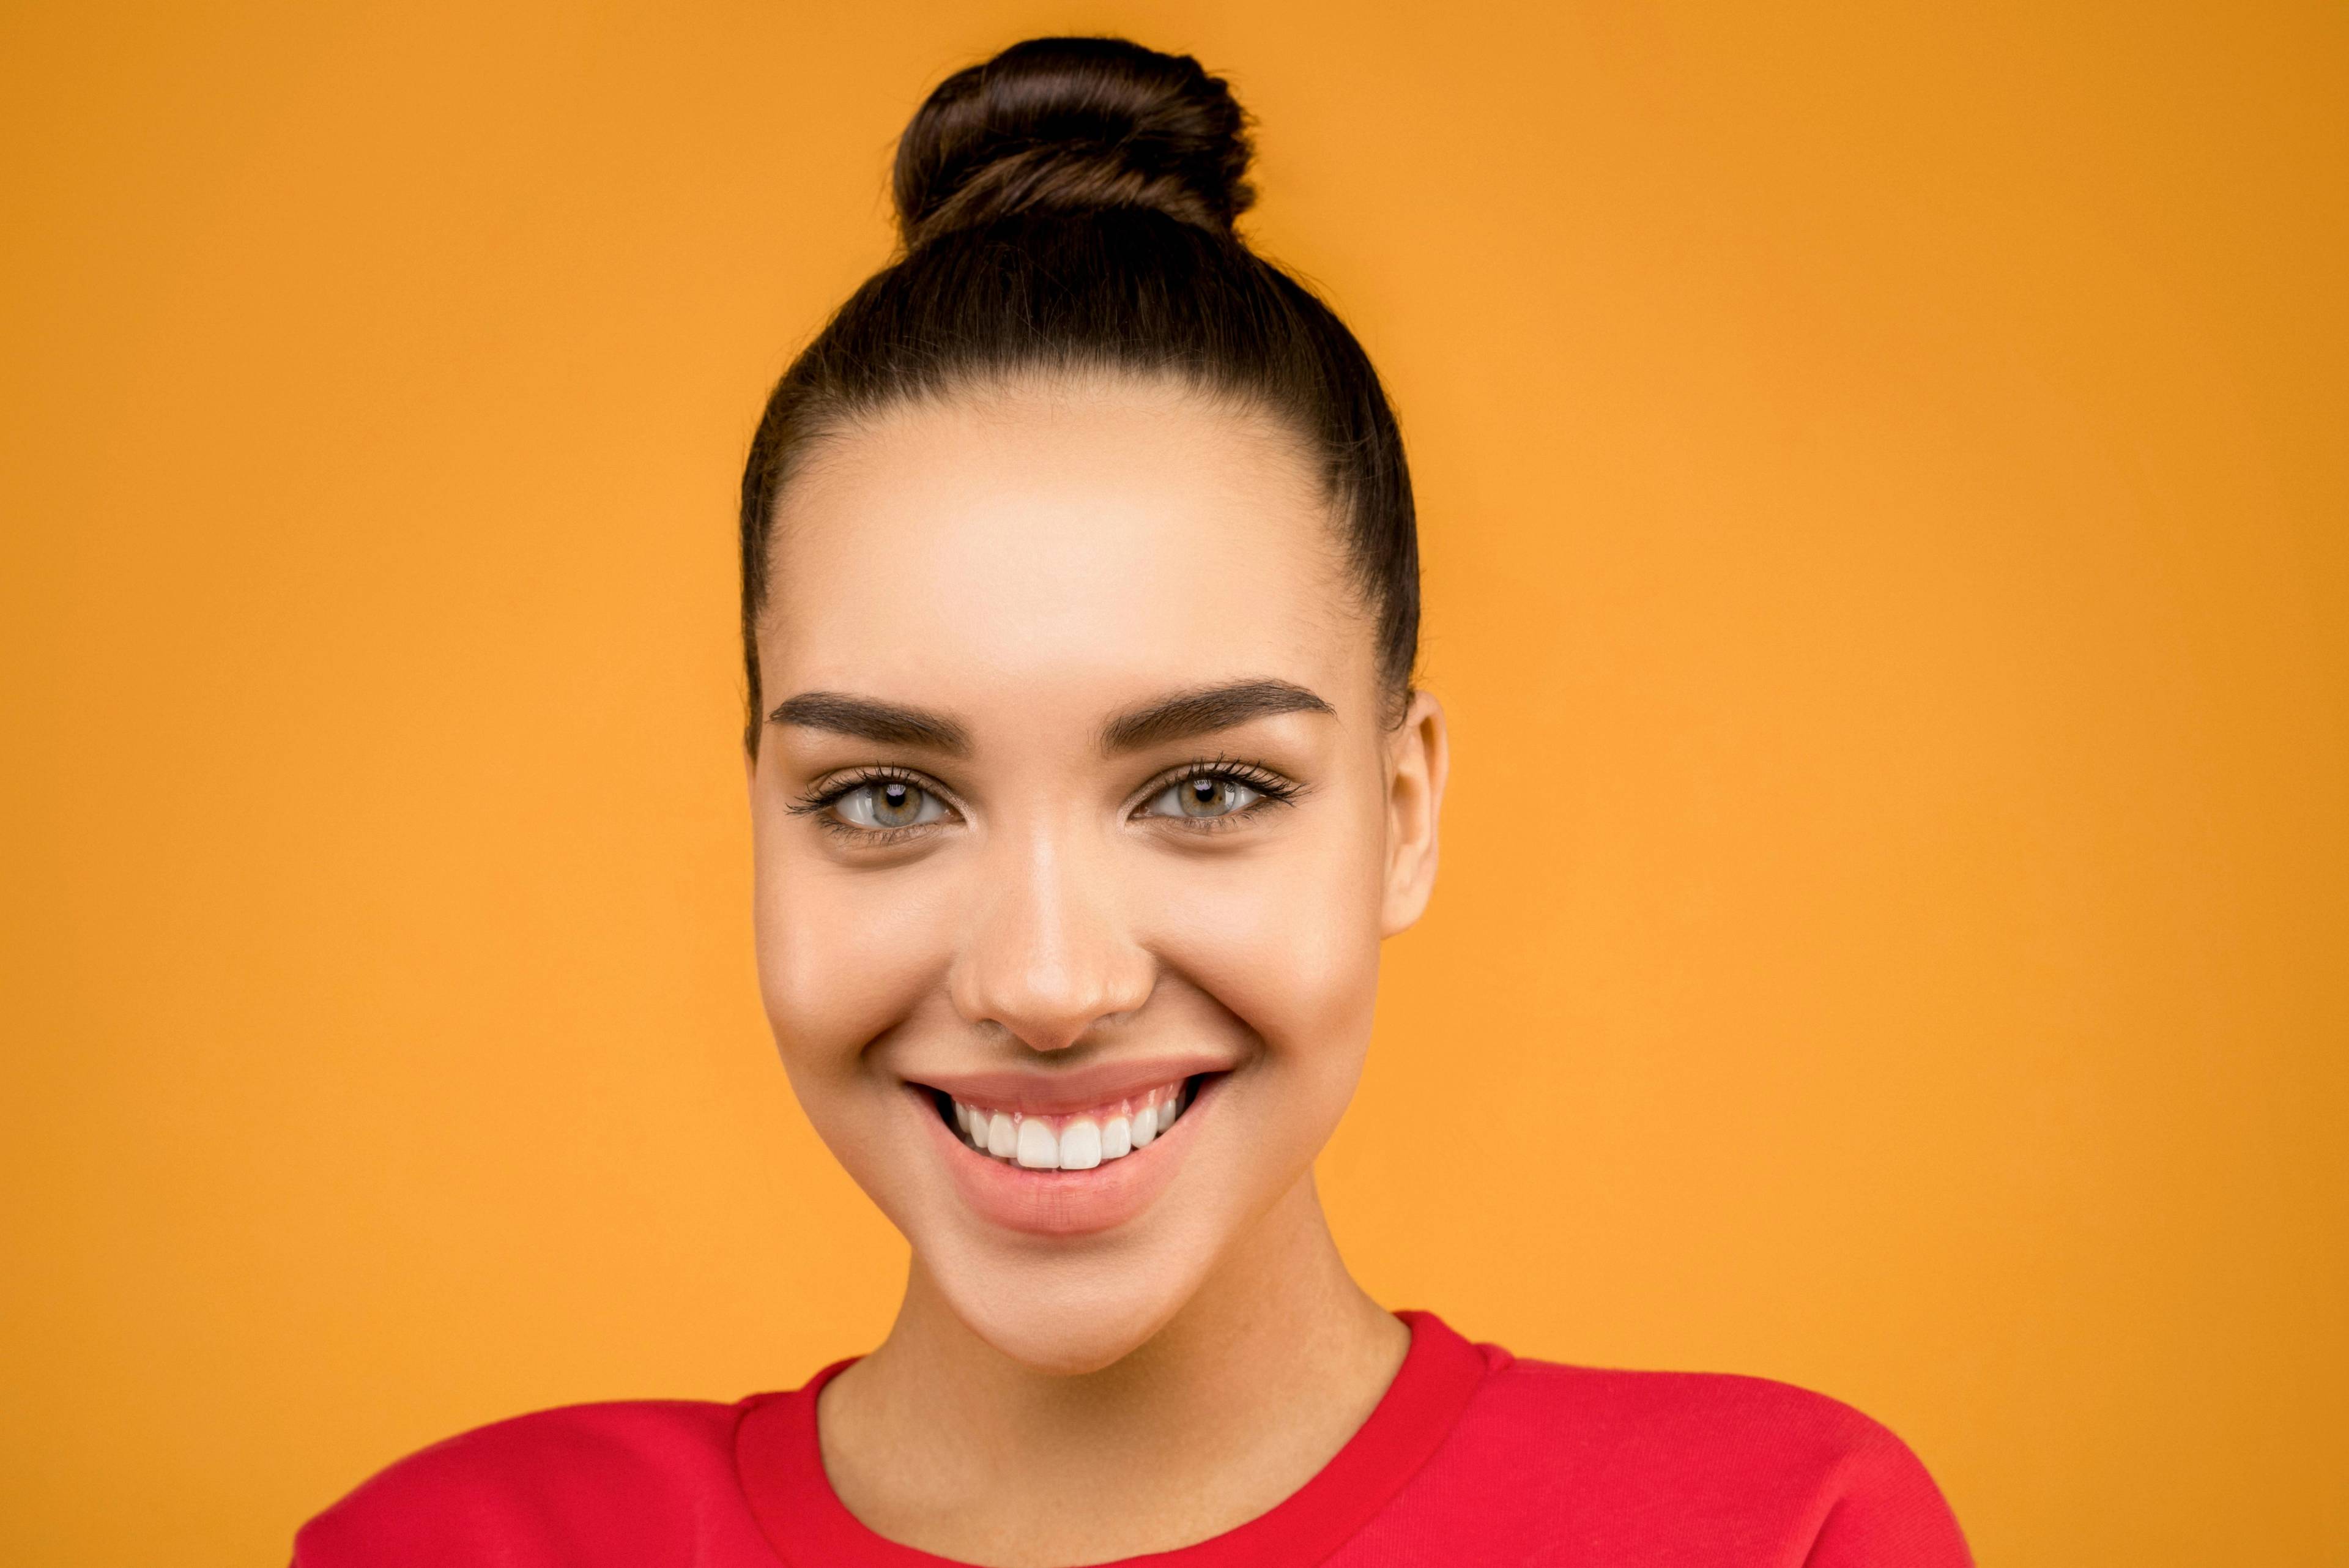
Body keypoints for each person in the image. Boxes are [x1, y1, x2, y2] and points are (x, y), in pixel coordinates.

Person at [294, 35, 1972, 1567]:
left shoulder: (1777, 1535)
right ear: (757, 817)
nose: (1045, 982)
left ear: (1403, 811)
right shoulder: (457, 1549)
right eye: (886, 795)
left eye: (1210, 785)